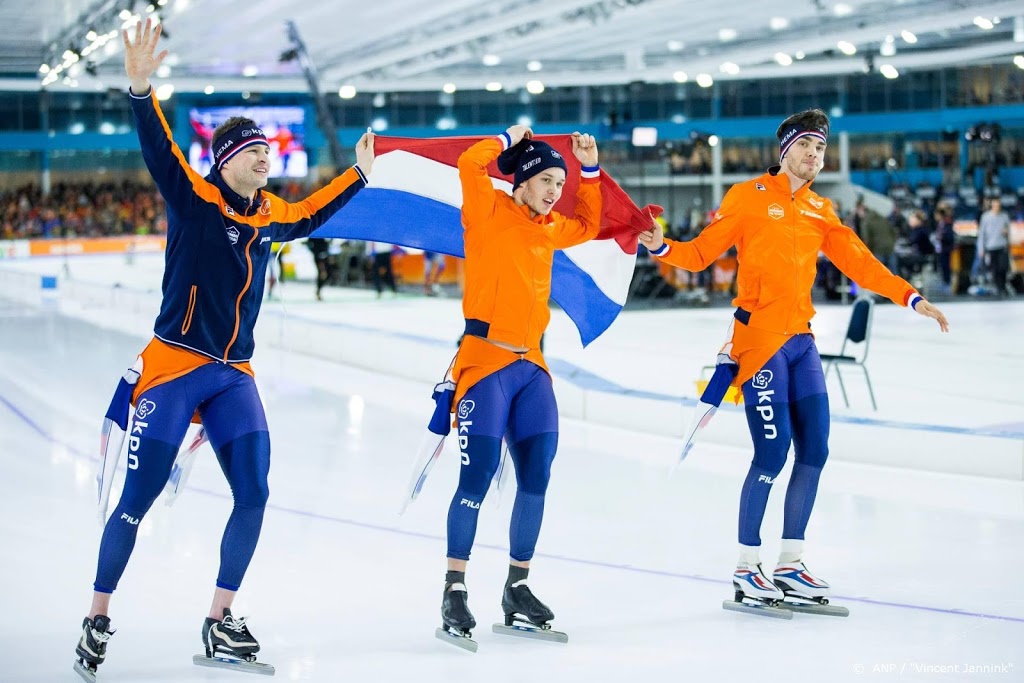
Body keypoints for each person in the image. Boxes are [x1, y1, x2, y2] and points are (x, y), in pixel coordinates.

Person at [74, 19, 375, 679]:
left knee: (255, 491)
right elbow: (158, 149)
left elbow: (315, 212)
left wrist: (358, 173)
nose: (267, 156)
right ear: (226, 158)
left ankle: (219, 620)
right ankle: (97, 616)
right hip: (174, 366)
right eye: (254, 150)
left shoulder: (269, 215)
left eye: (269, 150)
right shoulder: (195, 199)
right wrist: (140, 88)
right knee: (136, 499)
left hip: (234, 375)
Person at [638, 109, 948, 611]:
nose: (815, 156)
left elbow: (862, 264)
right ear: (785, 151)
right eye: (807, 146)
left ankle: (790, 563)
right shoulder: (747, 197)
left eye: (822, 149)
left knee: (816, 450)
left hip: (801, 341)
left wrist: (910, 297)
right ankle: (745, 567)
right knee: (772, 452)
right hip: (760, 341)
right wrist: (662, 245)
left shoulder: (822, 210)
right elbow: (699, 255)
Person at [438, 125, 600, 644]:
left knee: (536, 476)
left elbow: (591, 222)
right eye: (548, 180)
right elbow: (470, 163)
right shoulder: (485, 212)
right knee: (477, 478)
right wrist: (507, 137)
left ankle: (517, 586)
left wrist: (590, 169)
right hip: (484, 366)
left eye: (561, 181)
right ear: (523, 181)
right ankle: (455, 588)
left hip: (532, 370)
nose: (556, 190)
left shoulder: (550, 228)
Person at [977, 198, 1011, 297]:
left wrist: (1006, 234)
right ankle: (999, 288)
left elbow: (1008, 230)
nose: (997, 207)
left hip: (1002, 246)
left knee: (1003, 267)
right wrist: (981, 248)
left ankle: (1003, 286)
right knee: (994, 269)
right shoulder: (986, 217)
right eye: (995, 205)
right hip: (990, 246)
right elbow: (982, 234)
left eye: (999, 205)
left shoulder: (1004, 216)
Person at [306, 236, 331, 300]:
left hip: (326, 255)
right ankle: (318, 291)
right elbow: (309, 243)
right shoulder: (315, 233)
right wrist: (315, 251)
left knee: (326, 274)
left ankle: (319, 290)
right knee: (322, 274)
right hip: (318, 256)